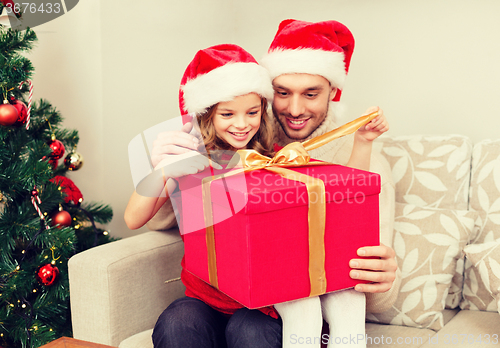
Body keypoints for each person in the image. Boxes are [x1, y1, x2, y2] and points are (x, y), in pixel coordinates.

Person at [146, 20, 400, 348]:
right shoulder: (251, 141)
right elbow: (157, 220)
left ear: (334, 92)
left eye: (311, 93)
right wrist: (164, 167)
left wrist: (384, 276)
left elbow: (368, 280)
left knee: (256, 329)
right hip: (216, 295)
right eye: (283, 93)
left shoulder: (366, 163)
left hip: (281, 304)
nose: (295, 109)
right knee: (179, 323)